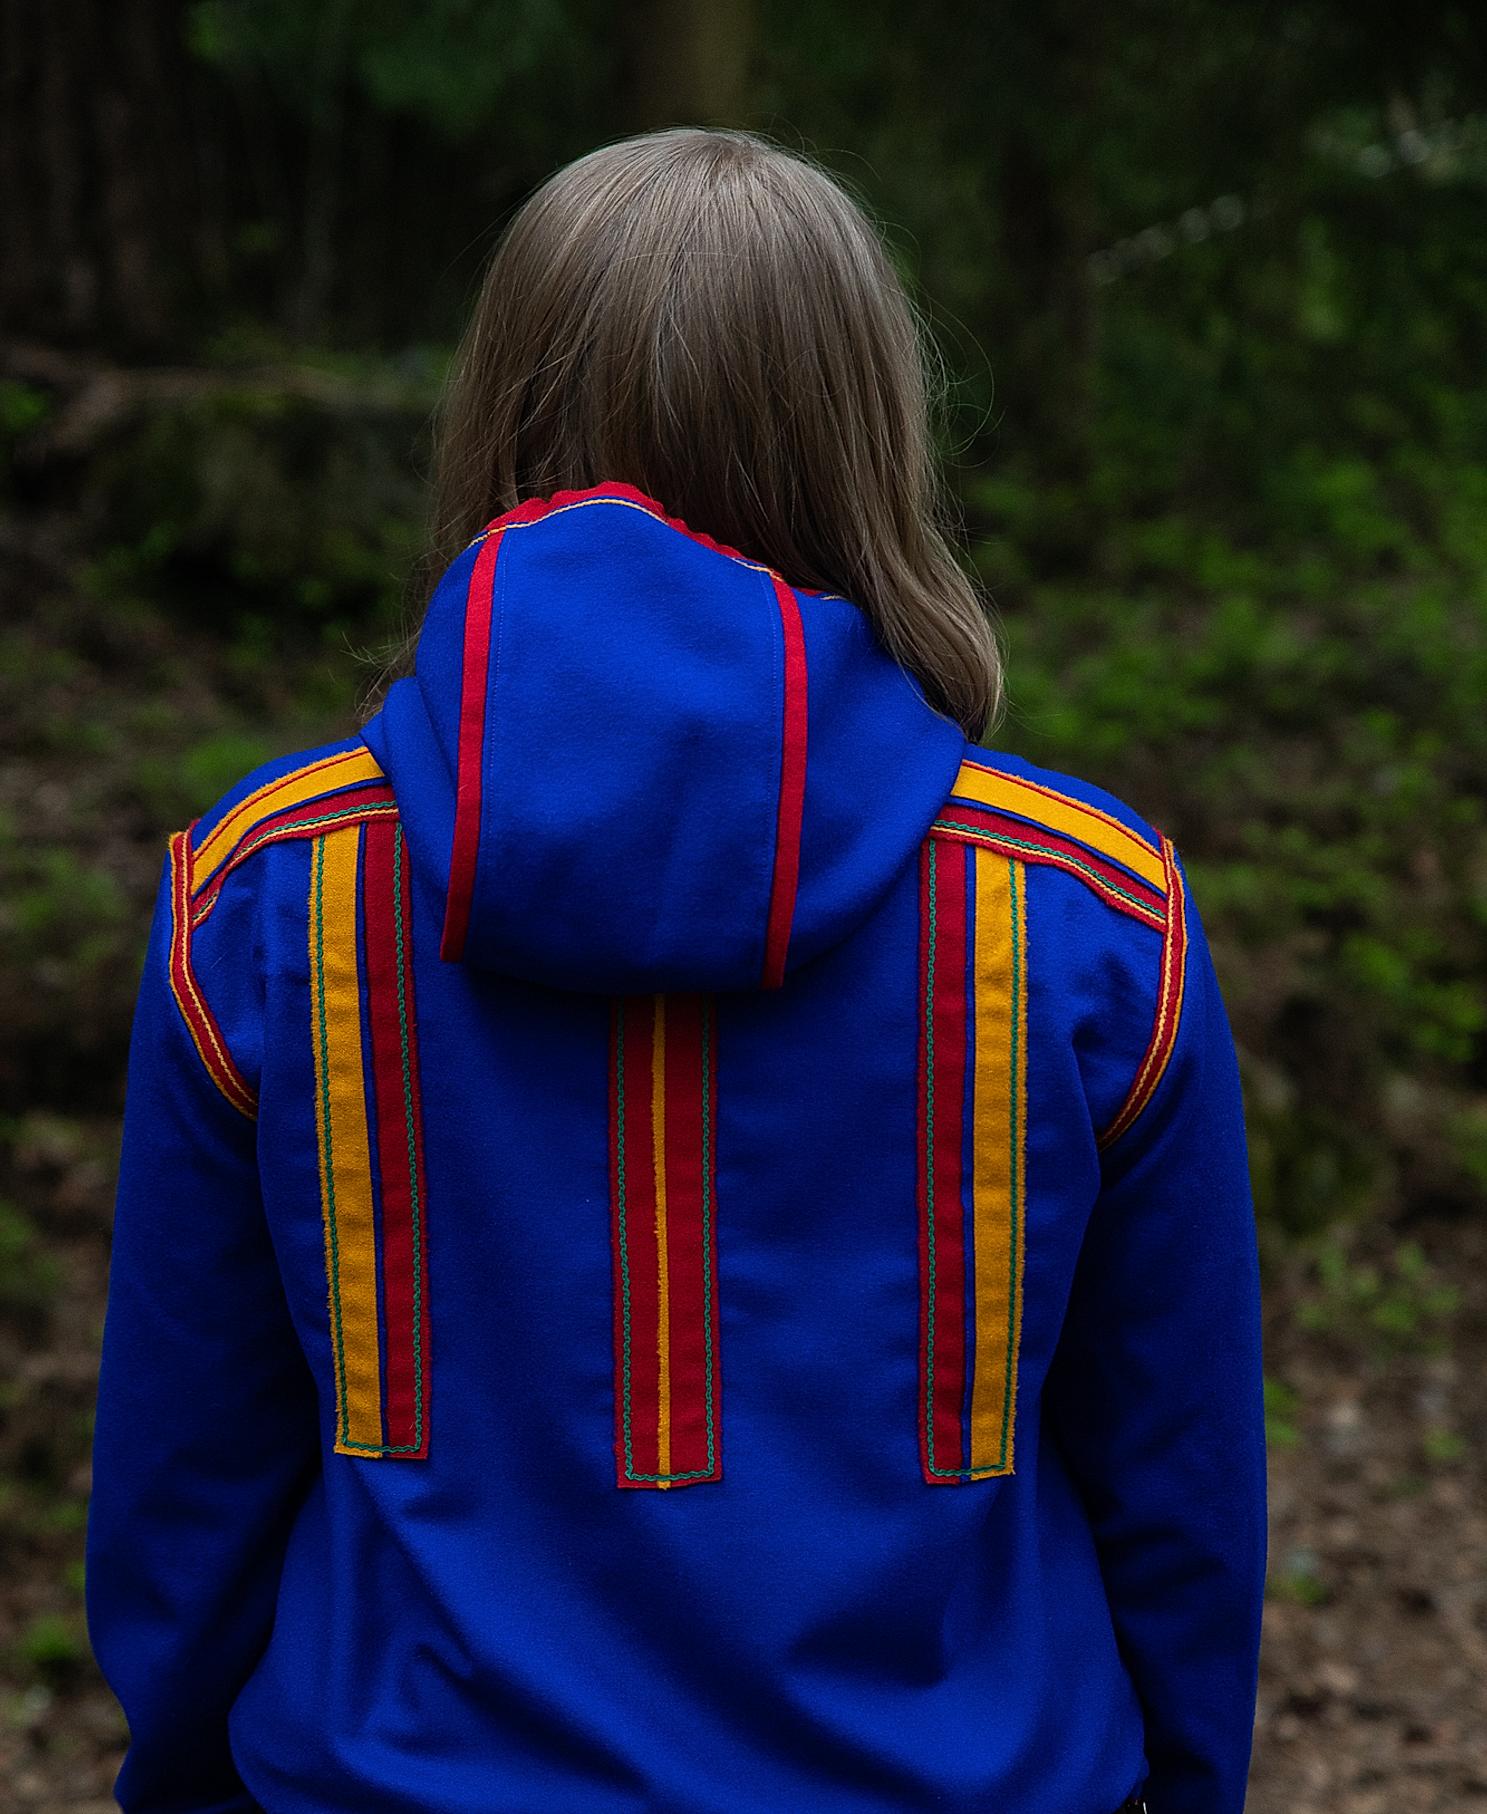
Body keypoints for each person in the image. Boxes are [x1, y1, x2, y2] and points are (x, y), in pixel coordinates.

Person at [85, 126, 1266, 1814]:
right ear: (869, 437)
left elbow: (183, 1493)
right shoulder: (1084, 911)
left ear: (498, 415)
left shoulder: (271, 894)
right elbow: (1184, 1502)